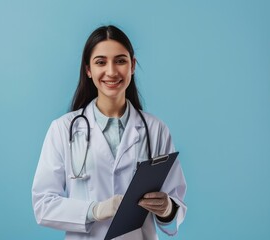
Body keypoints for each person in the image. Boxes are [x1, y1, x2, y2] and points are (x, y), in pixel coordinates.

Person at [32, 25, 187, 240]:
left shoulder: (155, 129)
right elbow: (43, 204)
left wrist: (167, 208)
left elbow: (174, 205)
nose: (112, 71)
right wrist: (95, 210)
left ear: (132, 66)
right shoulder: (63, 129)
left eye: (120, 60)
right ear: (88, 70)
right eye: (101, 62)